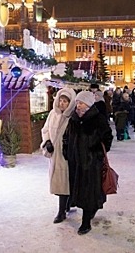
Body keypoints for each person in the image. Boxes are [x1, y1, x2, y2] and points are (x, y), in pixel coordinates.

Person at [63, 91, 113, 235]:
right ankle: (90, 210)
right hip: (75, 162)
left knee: (88, 192)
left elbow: (108, 137)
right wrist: (66, 150)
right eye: (77, 102)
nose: (78, 105)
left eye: (81, 102)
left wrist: (97, 152)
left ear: (89, 104)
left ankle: (86, 222)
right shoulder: (73, 118)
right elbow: (66, 137)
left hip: (91, 163)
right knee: (79, 190)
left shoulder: (98, 118)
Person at [40, 88, 77, 224]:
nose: (62, 104)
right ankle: (66, 205)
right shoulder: (52, 114)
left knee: (64, 182)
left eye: (65, 101)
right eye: (60, 101)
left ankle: (61, 211)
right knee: (59, 182)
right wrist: (47, 141)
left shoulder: (72, 116)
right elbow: (45, 129)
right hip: (54, 153)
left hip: (66, 154)